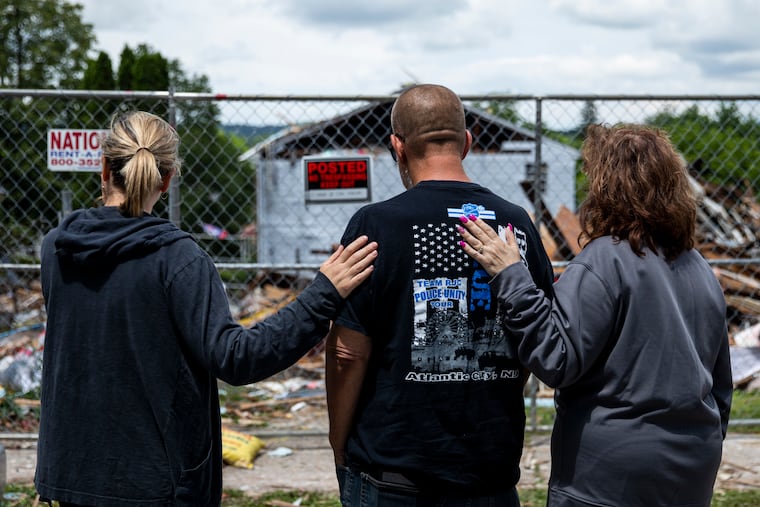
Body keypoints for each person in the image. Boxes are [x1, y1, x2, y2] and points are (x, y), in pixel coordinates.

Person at [34, 110, 378, 506]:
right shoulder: (178, 259)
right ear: (166, 179)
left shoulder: (57, 248)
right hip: (155, 486)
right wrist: (324, 295)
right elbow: (236, 358)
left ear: (103, 168)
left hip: (71, 475)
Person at [457, 123, 733, 506]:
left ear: (607, 187)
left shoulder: (605, 259)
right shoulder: (699, 268)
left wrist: (511, 276)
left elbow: (556, 359)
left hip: (610, 475)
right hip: (692, 468)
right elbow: (720, 387)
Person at [325, 84, 555, 506]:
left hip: (393, 473)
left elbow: (347, 354)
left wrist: (338, 441)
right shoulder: (516, 223)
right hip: (489, 472)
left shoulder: (375, 224)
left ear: (398, 146)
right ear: (468, 142)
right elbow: (532, 342)